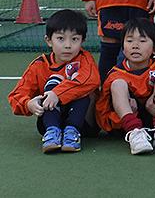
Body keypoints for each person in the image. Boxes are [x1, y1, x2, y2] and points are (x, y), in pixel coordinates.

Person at [8, 10, 100, 153]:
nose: (68, 45)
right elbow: (16, 95)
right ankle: (52, 131)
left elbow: (90, 81)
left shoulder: (84, 59)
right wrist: (28, 104)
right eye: (61, 39)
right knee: (53, 81)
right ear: (49, 40)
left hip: (84, 123)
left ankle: (72, 131)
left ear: (83, 41)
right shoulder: (39, 65)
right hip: (47, 121)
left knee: (81, 88)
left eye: (75, 39)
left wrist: (57, 94)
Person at [95, 18, 155, 155]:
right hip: (124, 124)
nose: (135, 46)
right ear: (123, 47)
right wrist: (120, 117)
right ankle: (134, 134)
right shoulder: (115, 74)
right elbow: (103, 110)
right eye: (129, 41)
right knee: (118, 84)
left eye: (142, 41)